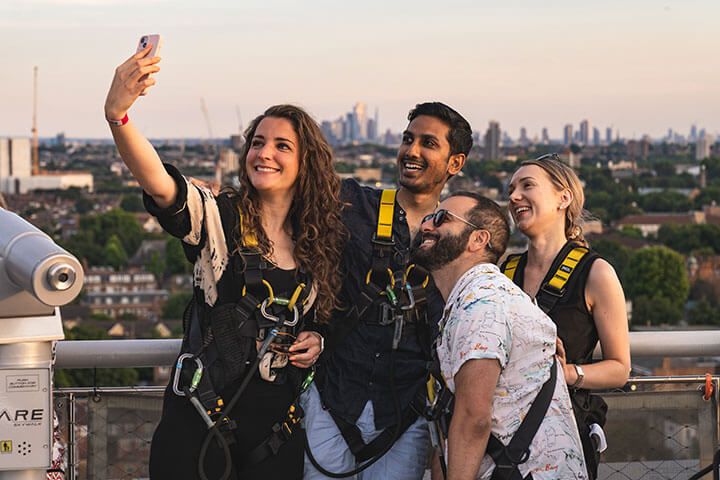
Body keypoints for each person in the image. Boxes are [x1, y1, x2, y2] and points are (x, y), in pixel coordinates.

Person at [104, 46, 345, 479]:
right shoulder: (219, 217)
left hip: (276, 436)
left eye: (281, 145)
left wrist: (317, 340)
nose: (264, 153)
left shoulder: (318, 243)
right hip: (198, 430)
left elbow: (323, 320)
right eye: (257, 143)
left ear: (306, 162)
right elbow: (162, 185)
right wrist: (119, 116)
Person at [302, 102, 472, 479]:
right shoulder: (353, 205)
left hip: (404, 416)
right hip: (335, 400)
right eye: (408, 139)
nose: (412, 151)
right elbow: (287, 201)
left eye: (428, 143)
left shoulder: (460, 241)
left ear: (455, 163)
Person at [414, 191, 588, 480]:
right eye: (428, 218)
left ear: (478, 240)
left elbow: (474, 419)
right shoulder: (484, 297)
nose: (426, 226)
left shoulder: (481, 305)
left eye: (441, 219)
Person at [504, 154, 631, 479]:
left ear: (564, 197)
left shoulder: (595, 273)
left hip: (562, 434)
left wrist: (569, 372)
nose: (514, 196)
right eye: (511, 189)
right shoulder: (504, 271)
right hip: (502, 435)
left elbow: (619, 369)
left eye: (527, 185)